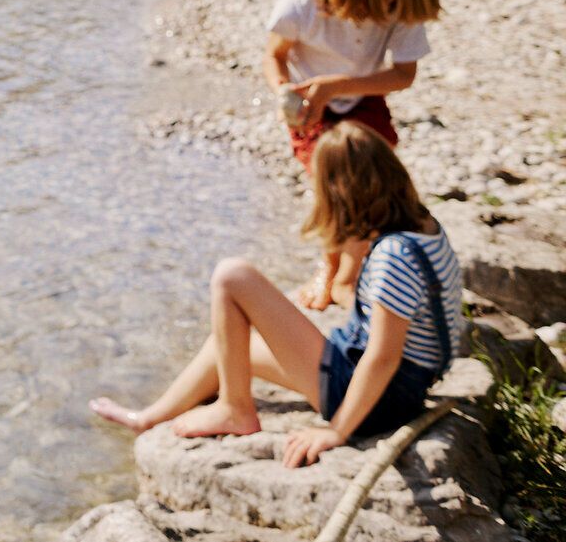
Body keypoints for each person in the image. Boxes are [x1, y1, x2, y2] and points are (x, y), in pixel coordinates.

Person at [89, 122, 463, 466]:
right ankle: (149, 418)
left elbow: (382, 357)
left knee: (231, 276)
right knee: (233, 344)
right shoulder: (425, 226)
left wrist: (337, 431)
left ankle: (235, 410)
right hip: (399, 392)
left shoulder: (393, 257)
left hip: (379, 403)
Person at [265, 0, 439, 307]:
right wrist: (284, 94)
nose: (390, 7)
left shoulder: (401, 6)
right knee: (332, 185)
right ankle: (332, 265)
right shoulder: (303, 5)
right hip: (311, 105)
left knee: (376, 179)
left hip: (362, 95)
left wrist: (338, 86)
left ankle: (353, 267)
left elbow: (403, 74)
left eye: (395, 0)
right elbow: (275, 56)